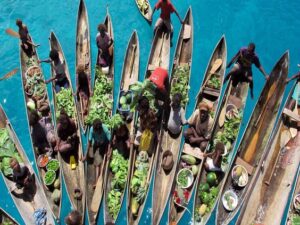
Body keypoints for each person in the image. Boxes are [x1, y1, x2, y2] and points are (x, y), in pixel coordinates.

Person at [82, 119, 111, 185]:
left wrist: (109, 151)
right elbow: (89, 143)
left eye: (99, 131)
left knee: (100, 162)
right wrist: (85, 156)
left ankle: (97, 181)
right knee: (96, 161)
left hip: (104, 144)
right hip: (96, 145)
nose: (98, 132)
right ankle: (97, 180)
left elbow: (110, 141)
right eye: (96, 131)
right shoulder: (92, 129)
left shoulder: (105, 129)